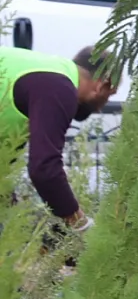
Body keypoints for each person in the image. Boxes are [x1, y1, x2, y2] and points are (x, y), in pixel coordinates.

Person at [0, 45, 116, 234]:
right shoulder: (58, 87)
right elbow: (45, 170)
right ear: (102, 85)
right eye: (108, 95)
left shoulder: (46, 73)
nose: (100, 109)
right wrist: (82, 225)